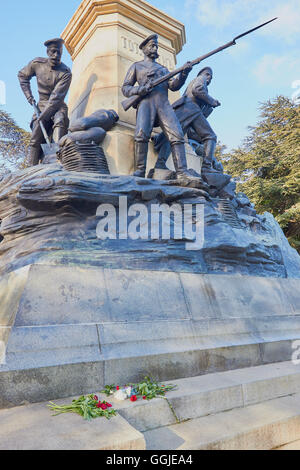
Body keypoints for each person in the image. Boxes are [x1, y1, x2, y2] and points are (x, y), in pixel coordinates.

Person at [122, 33, 198, 180]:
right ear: (144, 49)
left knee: (177, 134)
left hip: (164, 105)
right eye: (152, 45)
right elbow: (125, 88)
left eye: (156, 45)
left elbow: (174, 86)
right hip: (146, 103)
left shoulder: (163, 69)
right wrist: (139, 90)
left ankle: (182, 171)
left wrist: (184, 74)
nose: (155, 48)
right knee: (141, 135)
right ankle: (139, 171)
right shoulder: (136, 66)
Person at [153, 67, 221, 171]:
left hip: (189, 109)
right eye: (209, 76)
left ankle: (160, 161)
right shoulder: (201, 78)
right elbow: (197, 90)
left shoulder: (197, 80)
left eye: (210, 78)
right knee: (210, 136)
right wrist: (212, 101)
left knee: (175, 135)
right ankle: (207, 167)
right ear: (206, 75)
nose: (209, 79)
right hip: (191, 108)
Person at [18, 38, 72, 165]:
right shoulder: (37, 63)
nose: (56, 55)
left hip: (58, 106)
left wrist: (44, 116)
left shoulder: (66, 73)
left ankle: (58, 161)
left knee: (60, 120)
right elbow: (22, 76)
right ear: (48, 52)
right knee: (35, 138)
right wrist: (28, 96)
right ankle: (30, 170)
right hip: (41, 105)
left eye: (59, 52)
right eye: (53, 52)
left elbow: (56, 97)